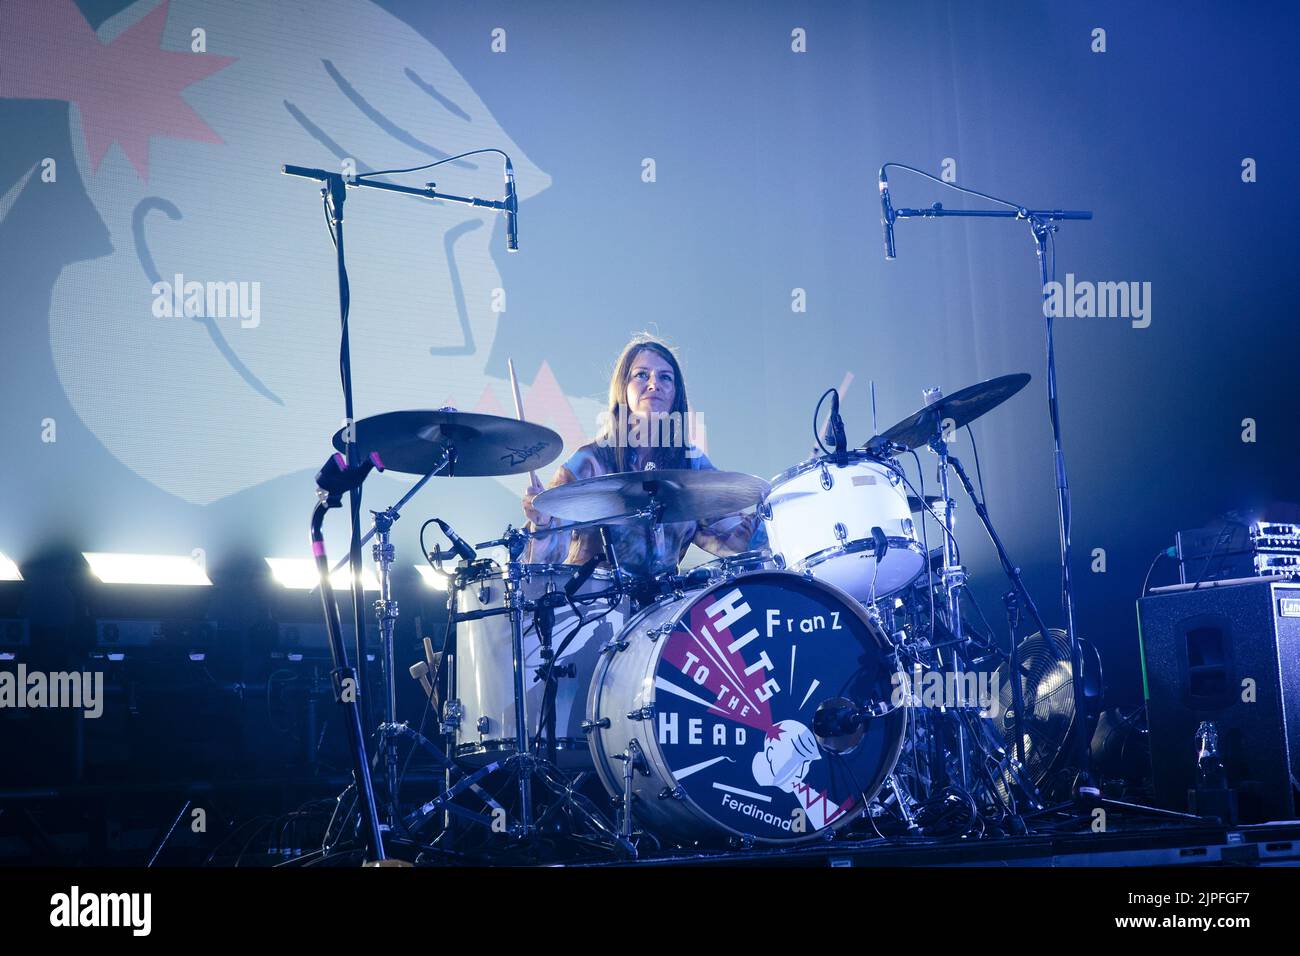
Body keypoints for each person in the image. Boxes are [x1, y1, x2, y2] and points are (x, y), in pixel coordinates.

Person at [522, 335, 760, 584]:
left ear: (676, 394)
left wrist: (783, 511)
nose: (654, 384)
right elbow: (543, 564)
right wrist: (542, 525)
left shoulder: (692, 463)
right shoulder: (590, 461)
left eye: (665, 377)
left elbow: (733, 539)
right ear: (622, 387)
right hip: (592, 608)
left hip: (664, 611)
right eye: (641, 375)